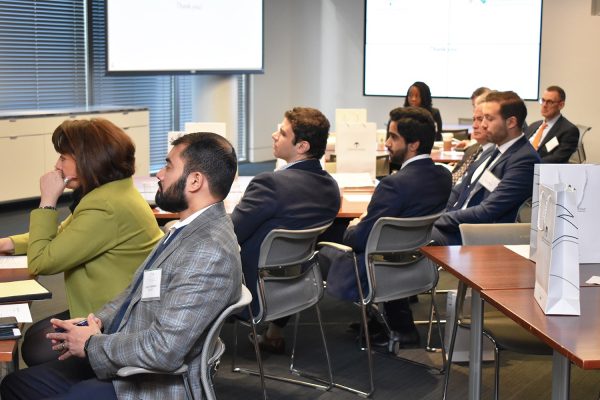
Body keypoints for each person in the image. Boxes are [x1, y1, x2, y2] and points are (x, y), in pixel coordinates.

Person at [0, 132, 242, 400]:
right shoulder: (186, 229)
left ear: (195, 181)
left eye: (169, 166)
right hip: (128, 346)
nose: (159, 174)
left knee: (41, 379)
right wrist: (95, 322)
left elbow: (165, 349)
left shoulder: (208, 251)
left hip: (152, 382)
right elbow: (132, 294)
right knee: (16, 384)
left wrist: (91, 344)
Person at [0, 118, 163, 366]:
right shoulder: (111, 192)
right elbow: (64, 234)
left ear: (88, 160)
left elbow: (41, 262)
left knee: (35, 349)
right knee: (33, 339)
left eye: (63, 158)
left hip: (115, 319)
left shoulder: (105, 207)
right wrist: (8, 243)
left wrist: (47, 201)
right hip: (116, 305)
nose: (57, 165)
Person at [322, 106, 452, 347]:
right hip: (415, 259)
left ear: (413, 144)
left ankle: (380, 320)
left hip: (379, 264)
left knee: (325, 241)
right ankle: (385, 322)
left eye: (393, 137)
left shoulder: (394, 184)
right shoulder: (443, 176)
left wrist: (355, 225)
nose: (387, 143)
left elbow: (359, 240)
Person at [231, 107, 340, 354]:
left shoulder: (270, 183)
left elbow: (232, 233)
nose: (274, 135)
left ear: (301, 146)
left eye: (282, 133)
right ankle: (274, 332)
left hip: (252, 287)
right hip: (298, 283)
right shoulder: (331, 188)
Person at [432, 91, 541, 245]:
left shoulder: (525, 160)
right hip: (457, 226)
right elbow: (460, 190)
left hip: (478, 236)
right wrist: (439, 217)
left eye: (489, 119)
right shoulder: (494, 149)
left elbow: (488, 211)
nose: (483, 125)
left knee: (410, 236)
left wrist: (439, 220)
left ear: (511, 122)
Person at [525, 85, 579, 163]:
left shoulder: (569, 130)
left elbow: (557, 159)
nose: (544, 105)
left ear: (561, 105)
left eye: (550, 102)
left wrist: (528, 164)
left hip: (537, 168)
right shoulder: (534, 125)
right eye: (543, 100)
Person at [452, 91, 494, 185]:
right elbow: (454, 176)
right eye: (474, 119)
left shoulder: (495, 155)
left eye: (480, 119)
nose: (474, 126)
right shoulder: (473, 149)